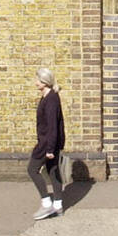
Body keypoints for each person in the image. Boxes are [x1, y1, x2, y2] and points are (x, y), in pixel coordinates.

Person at [28, 67, 66, 220]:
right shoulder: (49, 96)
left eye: (38, 79)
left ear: (44, 81)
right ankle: (58, 206)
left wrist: (50, 148)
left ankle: (46, 203)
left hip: (47, 143)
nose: (35, 82)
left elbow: (52, 126)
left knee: (32, 169)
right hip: (51, 142)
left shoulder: (50, 100)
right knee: (52, 171)